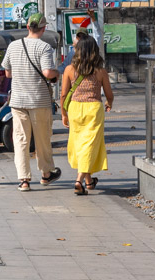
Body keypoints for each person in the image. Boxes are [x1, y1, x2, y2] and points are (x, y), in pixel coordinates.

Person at [2, 12, 61, 191]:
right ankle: (46, 174)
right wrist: (57, 73)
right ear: (43, 29)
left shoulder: (13, 46)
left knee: (20, 139)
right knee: (42, 138)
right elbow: (47, 73)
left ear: (28, 27)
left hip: (18, 100)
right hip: (39, 100)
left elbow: (7, 72)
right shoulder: (44, 48)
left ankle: (24, 180)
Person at [60, 31, 113, 194]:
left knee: (80, 143)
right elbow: (109, 93)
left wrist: (64, 113)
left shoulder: (69, 69)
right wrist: (109, 102)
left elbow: (63, 94)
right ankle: (79, 180)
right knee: (89, 144)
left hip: (75, 108)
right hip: (93, 109)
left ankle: (89, 182)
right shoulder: (100, 71)